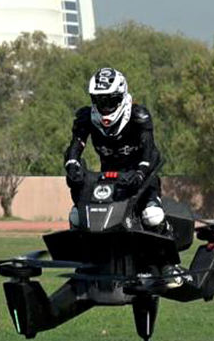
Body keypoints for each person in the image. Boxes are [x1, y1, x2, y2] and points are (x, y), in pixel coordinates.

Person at [63, 67, 167, 233]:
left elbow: (151, 152)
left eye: (110, 101)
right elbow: (74, 147)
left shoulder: (138, 117)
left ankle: (167, 246)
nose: (105, 108)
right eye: (100, 101)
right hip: (107, 180)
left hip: (141, 178)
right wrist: (72, 165)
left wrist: (140, 173)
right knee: (77, 217)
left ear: (121, 97)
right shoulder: (85, 118)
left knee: (152, 216)